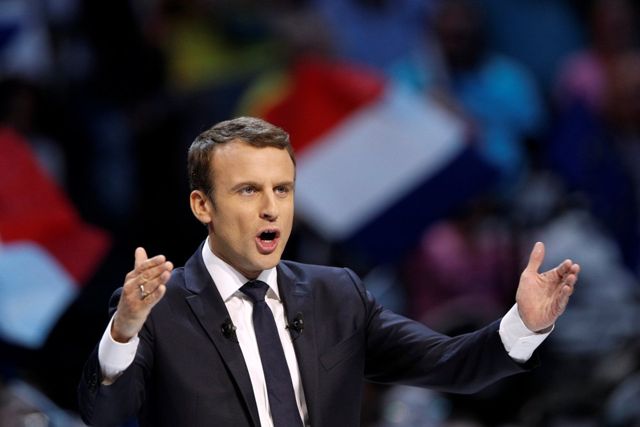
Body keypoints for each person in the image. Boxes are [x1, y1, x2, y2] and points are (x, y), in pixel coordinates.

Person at [77, 117, 580, 427]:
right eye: (249, 190)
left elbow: (450, 364)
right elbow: (105, 414)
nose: (271, 208)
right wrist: (123, 332)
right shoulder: (156, 311)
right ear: (202, 205)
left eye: (282, 189)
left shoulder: (337, 294)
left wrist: (524, 324)